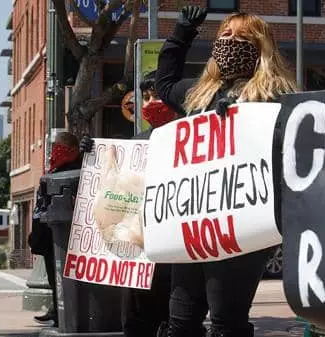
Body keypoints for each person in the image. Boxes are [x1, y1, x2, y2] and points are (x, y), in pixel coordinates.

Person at [154, 6, 297, 337]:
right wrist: (182, 32)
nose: (231, 43)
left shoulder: (278, 98)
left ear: (261, 49)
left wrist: (243, 117)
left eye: (243, 38)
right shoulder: (199, 94)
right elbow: (165, 84)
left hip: (240, 224)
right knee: (181, 320)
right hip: (193, 222)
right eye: (225, 36)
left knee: (226, 323)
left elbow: (289, 145)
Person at [80, 71, 185, 337]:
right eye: (146, 97)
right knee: (137, 321)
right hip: (140, 252)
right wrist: (93, 154)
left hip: (178, 253)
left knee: (176, 321)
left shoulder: (193, 139)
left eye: (157, 96)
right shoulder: (137, 143)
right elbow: (115, 187)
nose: (150, 103)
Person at [28, 132, 83, 327]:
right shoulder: (53, 171)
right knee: (53, 276)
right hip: (46, 234)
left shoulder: (74, 169)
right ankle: (55, 308)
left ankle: (62, 312)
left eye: (58, 146)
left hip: (61, 236)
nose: (54, 151)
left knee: (62, 275)